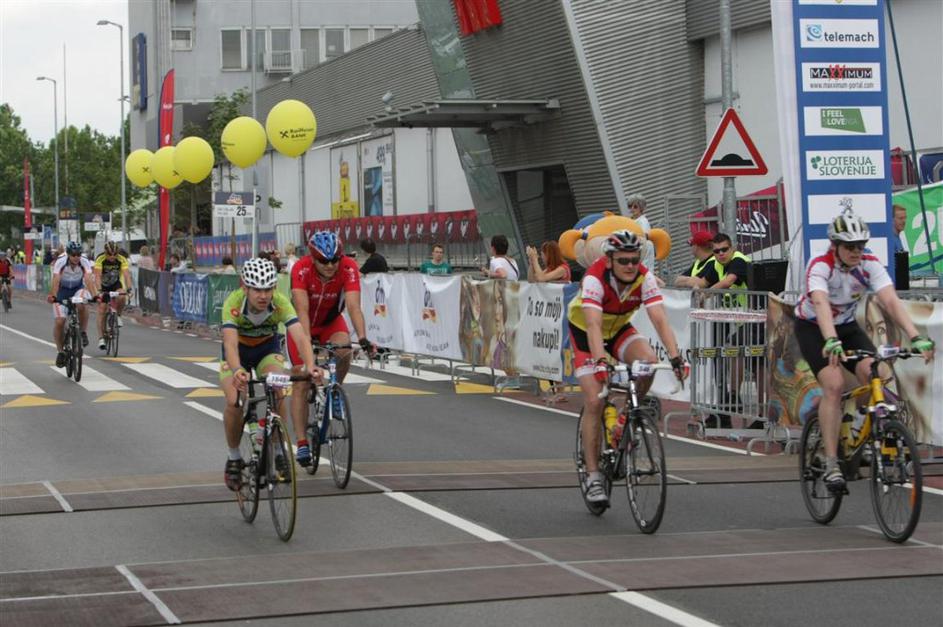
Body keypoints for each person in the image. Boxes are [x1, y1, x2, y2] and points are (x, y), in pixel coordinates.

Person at [794, 211, 934, 491]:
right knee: (833, 384)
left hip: (847, 327)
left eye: (860, 245)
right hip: (814, 327)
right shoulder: (820, 265)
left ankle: (862, 427)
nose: (856, 251)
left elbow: (891, 302)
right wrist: (831, 340)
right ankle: (831, 462)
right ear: (835, 246)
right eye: (850, 246)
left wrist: (916, 336)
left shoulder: (869, 264)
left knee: (878, 372)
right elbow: (820, 304)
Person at [567, 230, 686, 505]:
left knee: (649, 362)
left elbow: (659, 318)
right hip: (586, 333)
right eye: (623, 260)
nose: (630, 266)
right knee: (595, 401)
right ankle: (593, 476)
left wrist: (675, 357)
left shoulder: (644, 277)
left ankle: (626, 415)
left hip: (618, 329)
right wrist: (600, 362)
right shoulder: (594, 278)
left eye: (635, 259)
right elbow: (594, 325)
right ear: (609, 260)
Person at [219, 257, 324, 491]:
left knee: (278, 389)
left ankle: (278, 450)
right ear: (245, 287)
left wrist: (310, 365)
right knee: (234, 401)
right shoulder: (233, 303)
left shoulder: (280, 302)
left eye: (268, 289)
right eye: (257, 289)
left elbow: (299, 336)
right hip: (238, 353)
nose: (263, 295)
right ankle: (234, 457)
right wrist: (237, 370)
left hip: (266, 350)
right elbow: (230, 345)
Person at [289, 231, 375, 467]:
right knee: (300, 379)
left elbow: (353, 307)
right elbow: (302, 311)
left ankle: (335, 390)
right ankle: (302, 442)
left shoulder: (348, 267)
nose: (330, 265)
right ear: (312, 258)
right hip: (302, 324)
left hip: (329, 322)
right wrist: (307, 347)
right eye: (324, 261)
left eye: (334, 259)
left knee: (344, 349)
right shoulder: (301, 269)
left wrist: (363, 338)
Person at [46, 242, 98, 367]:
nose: (76, 257)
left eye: (78, 254)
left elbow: (88, 279)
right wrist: (53, 296)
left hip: (77, 289)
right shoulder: (61, 261)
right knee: (60, 322)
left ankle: (83, 332)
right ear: (68, 254)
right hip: (61, 291)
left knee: (82, 303)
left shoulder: (84, 261)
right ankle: (60, 351)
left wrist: (95, 295)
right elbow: (56, 279)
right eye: (73, 255)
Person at [94, 242, 133, 350]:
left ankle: (118, 315)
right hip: (103, 286)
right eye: (110, 254)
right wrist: (99, 291)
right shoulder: (100, 259)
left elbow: (126, 275)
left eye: (115, 254)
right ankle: (101, 338)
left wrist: (129, 289)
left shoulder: (121, 259)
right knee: (102, 309)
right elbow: (97, 276)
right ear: (105, 253)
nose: (112, 257)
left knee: (122, 295)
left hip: (115, 284)